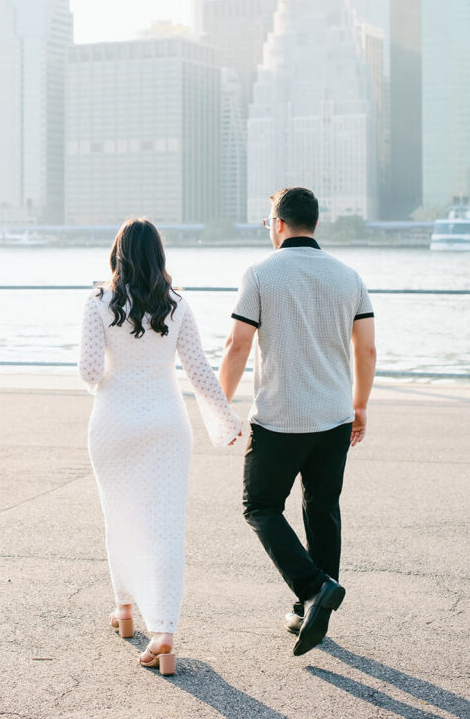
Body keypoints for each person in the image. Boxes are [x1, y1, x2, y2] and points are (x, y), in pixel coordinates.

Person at [78, 217, 242, 675]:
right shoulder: (178, 305)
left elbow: (90, 371)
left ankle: (124, 610)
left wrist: (115, 382)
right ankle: (164, 632)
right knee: (165, 528)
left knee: (121, 516)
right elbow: (200, 371)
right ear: (159, 256)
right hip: (167, 427)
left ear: (118, 253)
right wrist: (226, 421)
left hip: (113, 424)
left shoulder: (98, 302)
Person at [218, 187, 377, 656]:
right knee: (322, 507)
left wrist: (221, 407)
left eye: (269, 220)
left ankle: (313, 588)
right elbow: (366, 349)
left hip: (280, 418)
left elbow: (237, 347)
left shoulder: (260, 274)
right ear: (316, 223)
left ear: (279, 223)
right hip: (333, 417)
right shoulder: (349, 277)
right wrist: (361, 404)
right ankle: (314, 603)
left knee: (260, 507)